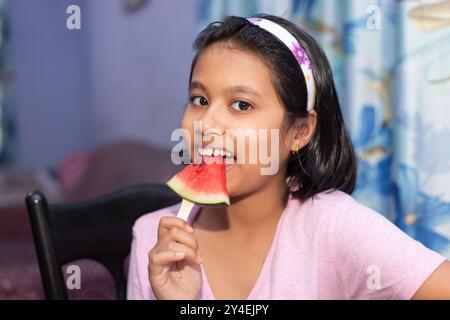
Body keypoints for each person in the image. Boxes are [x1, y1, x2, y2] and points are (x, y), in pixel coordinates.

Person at [127, 14, 450, 300]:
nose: (207, 124)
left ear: (300, 131)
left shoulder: (333, 226)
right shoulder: (153, 238)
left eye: (241, 104)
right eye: (199, 99)